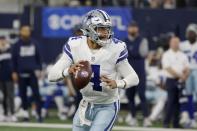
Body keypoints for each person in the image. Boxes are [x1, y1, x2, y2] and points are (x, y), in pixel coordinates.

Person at [48, 9, 139, 131]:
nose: (105, 32)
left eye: (107, 29)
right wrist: (67, 71)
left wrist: (118, 83)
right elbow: (51, 75)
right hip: (85, 104)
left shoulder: (116, 48)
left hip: (107, 105)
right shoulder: (75, 45)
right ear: (88, 29)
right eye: (100, 28)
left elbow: (134, 78)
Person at [12, 25, 43, 122]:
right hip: (21, 73)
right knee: (23, 95)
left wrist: (39, 70)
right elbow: (14, 60)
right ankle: (25, 114)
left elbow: (39, 58)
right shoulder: (16, 45)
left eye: (28, 30)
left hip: (33, 74)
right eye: (24, 30)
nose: (26, 32)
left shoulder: (34, 43)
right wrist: (14, 72)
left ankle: (38, 114)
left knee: (36, 94)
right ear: (20, 32)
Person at [124, 21, 150, 127]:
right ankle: (133, 117)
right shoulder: (124, 41)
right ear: (128, 29)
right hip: (128, 73)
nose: (132, 29)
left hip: (140, 73)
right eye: (131, 27)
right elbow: (123, 56)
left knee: (142, 95)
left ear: (137, 29)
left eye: (134, 27)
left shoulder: (142, 40)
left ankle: (146, 118)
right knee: (130, 96)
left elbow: (143, 53)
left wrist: (130, 53)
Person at [162, 36, 190, 128]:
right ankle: (166, 122)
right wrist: (180, 75)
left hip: (181, 81)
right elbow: (168, 68)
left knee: (179, 103)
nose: (175, 44)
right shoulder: (166, 54)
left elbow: (187, 67)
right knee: (170, 102)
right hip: (171, 80)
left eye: (177, 42)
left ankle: (176, 123)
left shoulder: (183, 55)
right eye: (173, 42)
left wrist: (184, 76)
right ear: (170, 43)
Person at [179, 23, 197, 128]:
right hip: (186, 72)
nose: (190, 35)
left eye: (192, 33)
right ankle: (190, 117)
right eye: (189, 33)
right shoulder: (183, 45)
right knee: (188, 95)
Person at [0, 36, 17, 122]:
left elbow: (14, 62)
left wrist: (14, 72)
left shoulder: (11, 49)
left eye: (3, 40)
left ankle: (13, 114)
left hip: (9, 77)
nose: (2, 42)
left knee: (10, 96)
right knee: (3, 96)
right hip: (1, 77)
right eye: (1, 40)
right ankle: (5, 114)